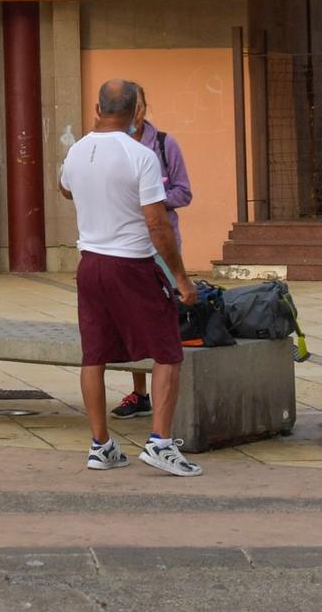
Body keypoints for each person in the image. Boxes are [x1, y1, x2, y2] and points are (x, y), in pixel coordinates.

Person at [58, 78, 203, 478]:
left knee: (94, 355)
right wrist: (181, 278)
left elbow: (64, 188)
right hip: (132, 265)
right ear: (136, 111)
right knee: (168, 351)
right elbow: (157, 224)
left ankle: (100, 445)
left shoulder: (76, 151)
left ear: (96, 108)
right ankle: (159, 442)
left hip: (89, 264)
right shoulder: (140, 155)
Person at [113, 85, 193, 420]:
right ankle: (140, 392)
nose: (137, 114)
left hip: (161, 246)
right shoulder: (111, 146)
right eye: (133, 108)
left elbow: (184, 192)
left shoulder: (163, 144)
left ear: (145, 107)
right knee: (133, 319)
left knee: (164, 318)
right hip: (125, 244)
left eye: (141, 107)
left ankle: (170, 390)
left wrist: (153, 199)